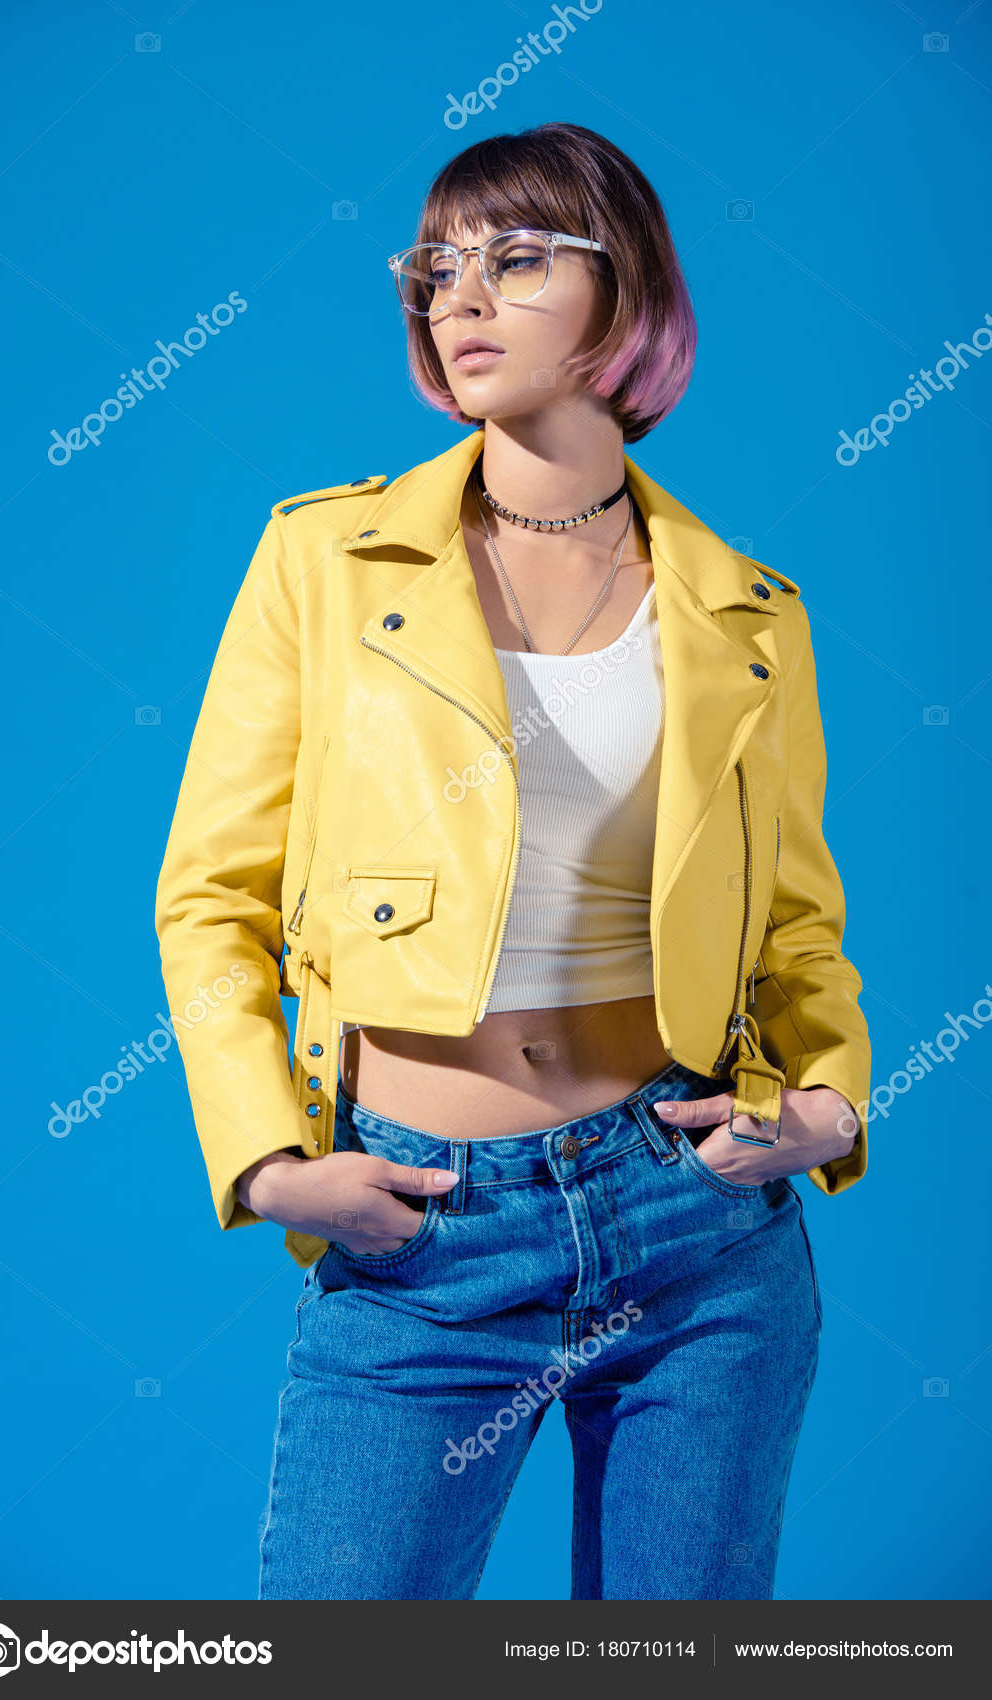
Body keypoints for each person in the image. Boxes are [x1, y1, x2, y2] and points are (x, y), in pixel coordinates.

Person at [154, 121, 871, 1602]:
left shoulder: (750, 611)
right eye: (438, 268)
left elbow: (797, 926)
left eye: (518, 260)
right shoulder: (323, 561)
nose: (458, 299)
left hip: (699, 1229)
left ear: (628, 300)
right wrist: (269, 1158)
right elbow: (211, 892)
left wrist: (824, 1104)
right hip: (425, 1228)